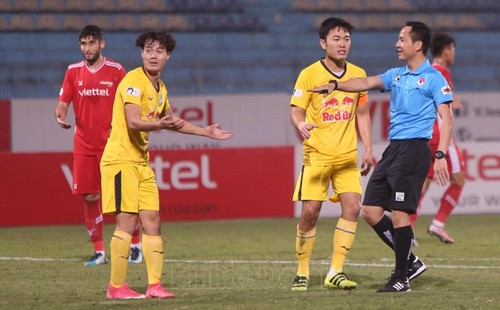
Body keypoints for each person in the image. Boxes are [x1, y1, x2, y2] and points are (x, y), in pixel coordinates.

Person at [309, 21, 454, 292]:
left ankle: (401, 277)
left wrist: (442, 153)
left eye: (402, 39)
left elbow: (446, 117)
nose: (397, 44)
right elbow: (366, 81)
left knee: (400, 214)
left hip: (414, 149)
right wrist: (337, 85)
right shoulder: (396, 75)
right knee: (371, 211)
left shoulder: (434, 78)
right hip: (393, 150)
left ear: (417, 44)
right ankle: (410, 261)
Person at [100, 31, 233, 299]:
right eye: (148, 49)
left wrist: (204, 132)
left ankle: (155, 285)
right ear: (141, 53)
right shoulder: (133, 81)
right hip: (120, 161)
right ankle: (116, 287)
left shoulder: (160, 88)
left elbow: (173, 121)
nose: (153, 55)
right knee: (126, 224)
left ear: (167, 56)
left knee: (153, 222)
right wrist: (158, 124)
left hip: (141, 162)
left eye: (159, 51)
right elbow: (133, 122)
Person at [289, 17, 373, 291]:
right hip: (317, 156)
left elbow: (362, 113)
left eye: (347, 38)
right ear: (323, 43)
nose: (342, 44)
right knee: (310, 212)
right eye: (336, 39)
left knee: (353, 207)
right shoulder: (309, 74)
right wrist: (300, 124)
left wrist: (369, 148)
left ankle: (335, 270)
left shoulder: (358, 74)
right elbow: (296, 110)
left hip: (347, 156)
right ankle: (302, 270)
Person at [55, 25, 143, 266]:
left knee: (120, 197)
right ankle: (99, 252)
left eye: (91, 43)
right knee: (91, 197)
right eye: (83, 44)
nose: (87, 48)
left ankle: (136, 245)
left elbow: (129, 103)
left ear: (101, 44)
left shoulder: (116, 70)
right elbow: (63, 101)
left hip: (112, 144)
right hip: (83, 144)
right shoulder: (73, 72)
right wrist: (60, 115)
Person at [410, 32, 465, 244]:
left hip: (425, 134)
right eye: (453, 50)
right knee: (459, 179)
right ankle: (438, 222)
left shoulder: (427, 71)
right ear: (447, 50)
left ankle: (409, 227)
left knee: (424, 181)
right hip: (440, 134)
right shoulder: (442, 72)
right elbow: (444, 108)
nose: (454, 54)